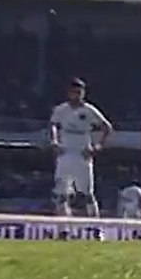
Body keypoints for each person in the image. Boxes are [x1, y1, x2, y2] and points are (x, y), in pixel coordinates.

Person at [49, 78, 113, 218]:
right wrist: (54, 141)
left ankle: (96, 229)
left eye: (79, 92)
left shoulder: (89, 110)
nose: (76, 95)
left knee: (87, 194)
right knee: (61, 193)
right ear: (69, 93)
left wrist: (97, 146)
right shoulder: (61, 109)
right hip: (65, 152)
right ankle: (63, 229)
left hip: (82, 153)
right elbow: (53, 125)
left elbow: (107, 127)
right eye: (74, 92)